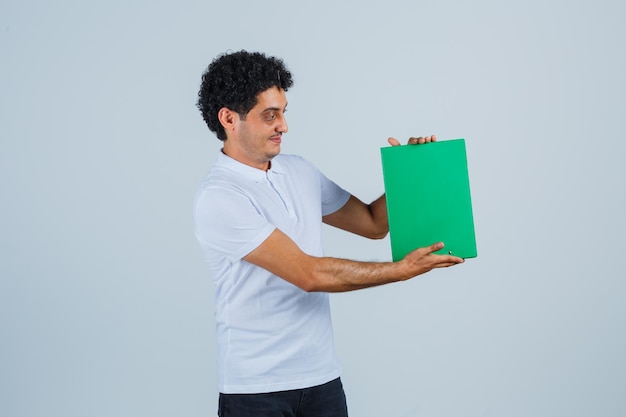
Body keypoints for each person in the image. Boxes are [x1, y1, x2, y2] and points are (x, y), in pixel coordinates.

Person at [194, 50, 464, 417]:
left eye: (283, 111)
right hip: (256, 391)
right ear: (229, 118)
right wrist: (400, 270)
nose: (283, 126)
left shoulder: (299, 170)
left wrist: (414, 174)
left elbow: (371, 223)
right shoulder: (220, 196)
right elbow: (308, 274)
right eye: (269, 115)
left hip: (322, 381)